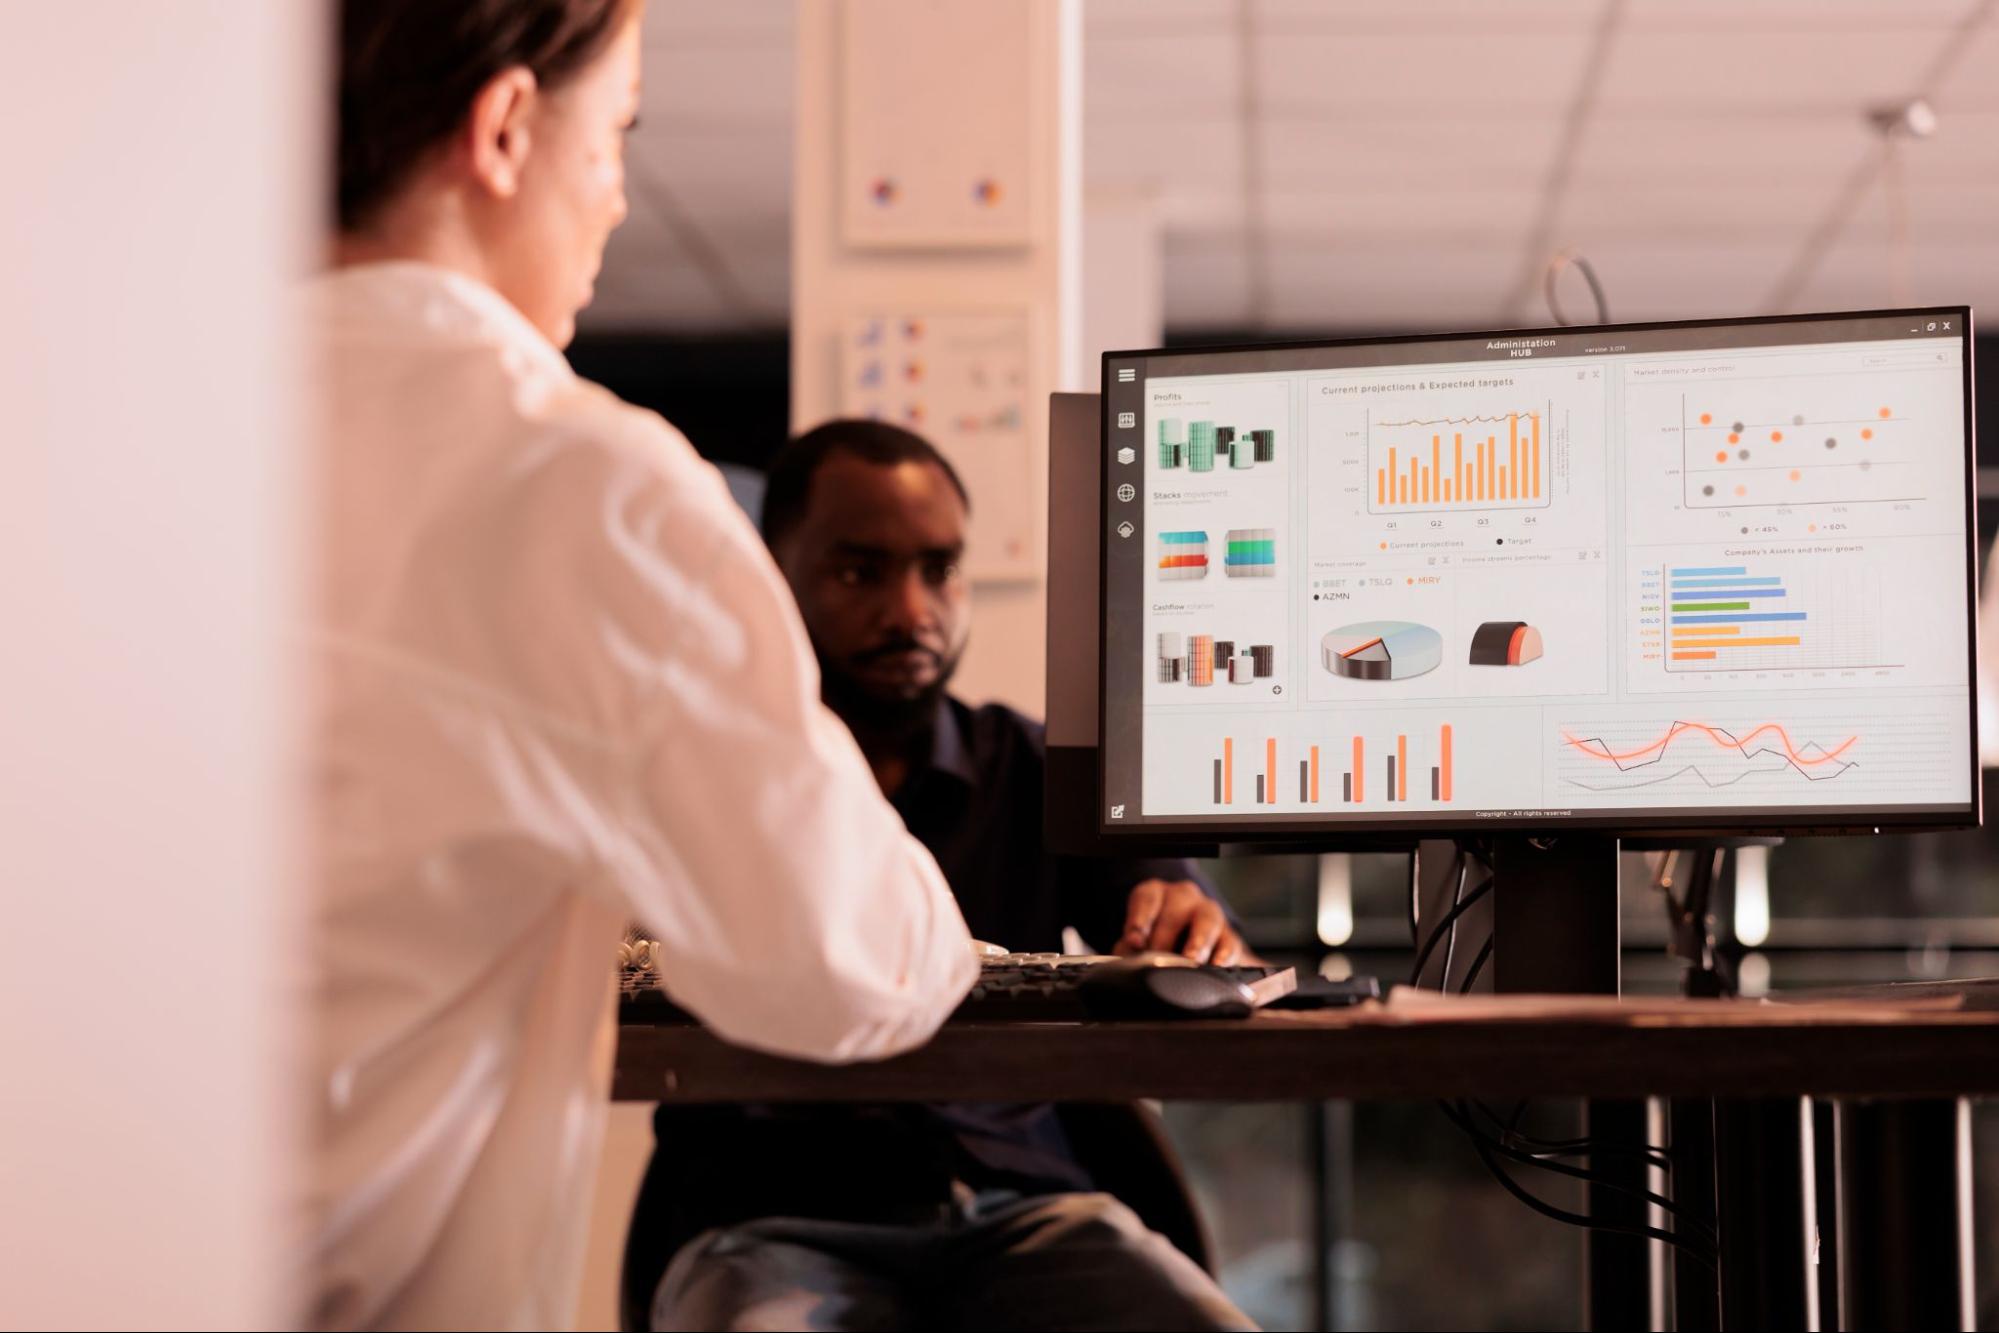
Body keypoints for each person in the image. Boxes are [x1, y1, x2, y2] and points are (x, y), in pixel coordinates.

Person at [305, 5, 976, 1328]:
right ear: (502, 130)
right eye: (612, 136)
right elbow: (841, 965)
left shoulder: (88, 421)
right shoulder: (580, 482)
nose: (613, 200)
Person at [642, 420, 1257, 1332]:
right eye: (861, 572)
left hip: (1026, 1214)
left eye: (940, 569)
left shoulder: (1037, 766)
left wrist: (1191, 924)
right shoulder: (699, 780)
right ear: (770, 576)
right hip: (769, 1222)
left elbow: (1194, 935)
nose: (912, 610)